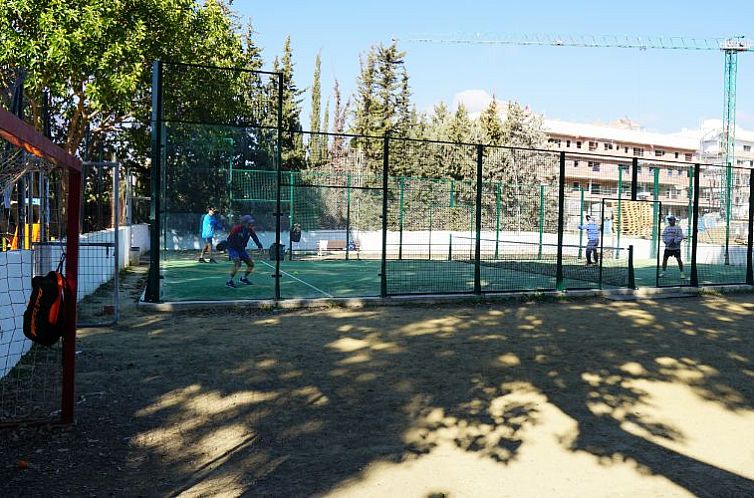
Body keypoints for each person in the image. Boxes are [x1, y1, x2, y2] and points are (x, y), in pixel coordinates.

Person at [225, 214, 264, 288]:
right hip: (233, 248)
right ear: (244, 222)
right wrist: (228, 248)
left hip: (241, 249)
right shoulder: (236, 229)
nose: (251, 224)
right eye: (249, 222)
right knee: (238, 263)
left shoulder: (250, 229)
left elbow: (254, 237)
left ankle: (243, 278)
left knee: (251, 265)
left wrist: (259, 245)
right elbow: (229, 239)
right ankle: (229, 281)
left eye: (251, 222)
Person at [660, 215, 685, 279]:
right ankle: (663, 272)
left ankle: (682, 273)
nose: (670, 221)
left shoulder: (678, 228)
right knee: (665, 259)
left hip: (676, 248)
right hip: (668, 247)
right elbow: (663, 236)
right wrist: (666, 242)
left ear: (674, 220)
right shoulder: (666, 228)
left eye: (671, 220)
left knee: (679, 259)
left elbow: (680, 236)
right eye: (669, 220)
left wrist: (675, 242)